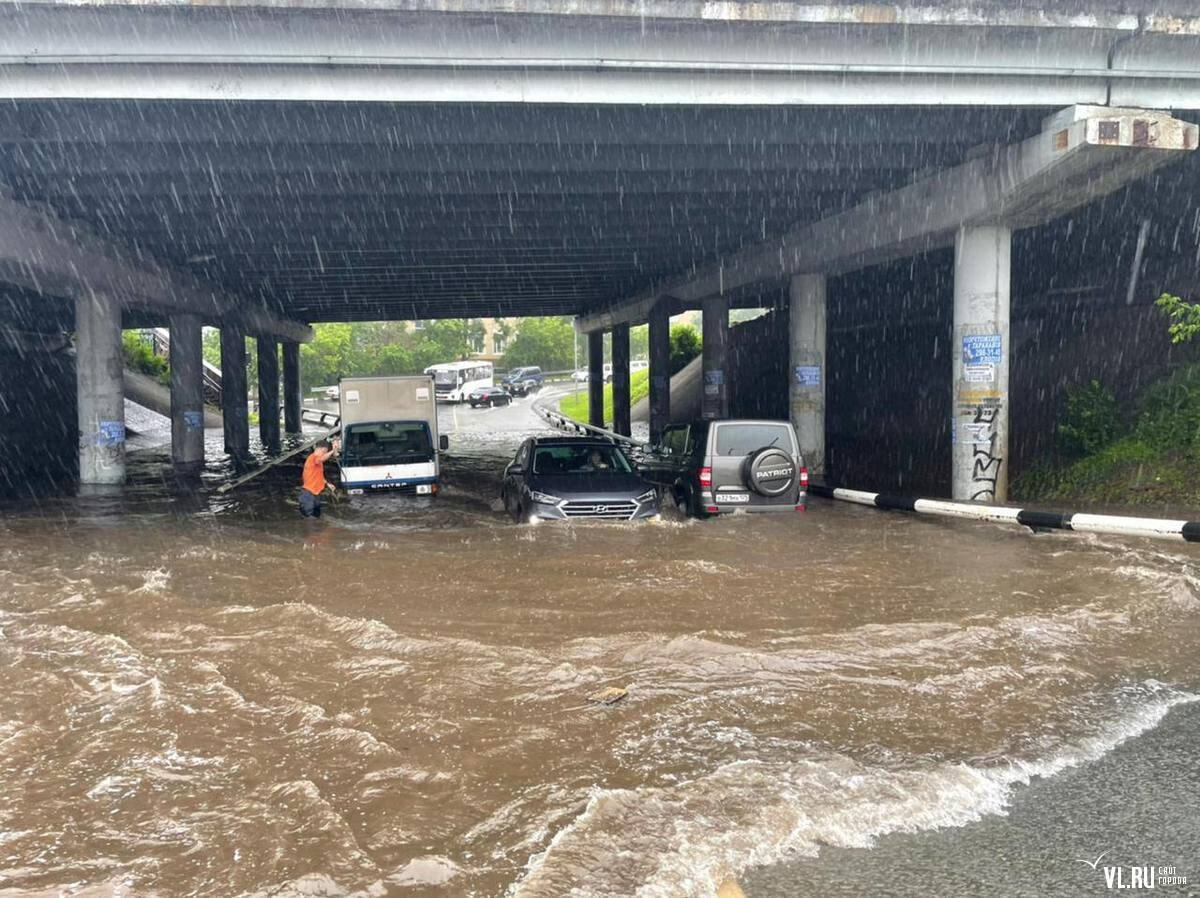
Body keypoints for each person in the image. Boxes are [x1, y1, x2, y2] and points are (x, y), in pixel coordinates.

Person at [299, 438, 339, 518]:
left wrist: (327, 484)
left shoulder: (318, 463)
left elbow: (319, 475)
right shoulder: (313, 458)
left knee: (316, 515)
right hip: (308, 493)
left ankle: (317, 529)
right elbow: (320, 459)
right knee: (308, 517)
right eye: (324, 452)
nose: (324, 454)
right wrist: (333, 451)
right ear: (322, 449)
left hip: (315, 493)